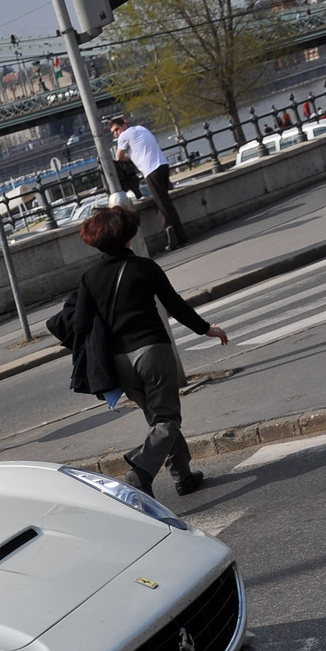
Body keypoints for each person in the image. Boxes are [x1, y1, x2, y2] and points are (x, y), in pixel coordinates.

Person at [71, 207, 229, 497]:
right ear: (128, 237)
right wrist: (207, 329)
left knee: (157, 418)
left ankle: (183, 475)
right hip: (152, 351)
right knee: (166, 420)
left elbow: (80, 325)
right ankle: (140, 470)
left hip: (120, 362)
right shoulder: (144, 267)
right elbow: (176, 305)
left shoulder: (89, 278)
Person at [108, 115, 188, 251]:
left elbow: (118, 157)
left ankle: (181, 238)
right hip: (163, 165)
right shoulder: (141, 128)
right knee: (161, 201)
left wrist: (130, 156)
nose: (116, 133)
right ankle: (168, 228)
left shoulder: (124, 136)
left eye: (116, 129)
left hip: (151, 171)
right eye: (113, 132)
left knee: (165, 204)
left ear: (124, 125)